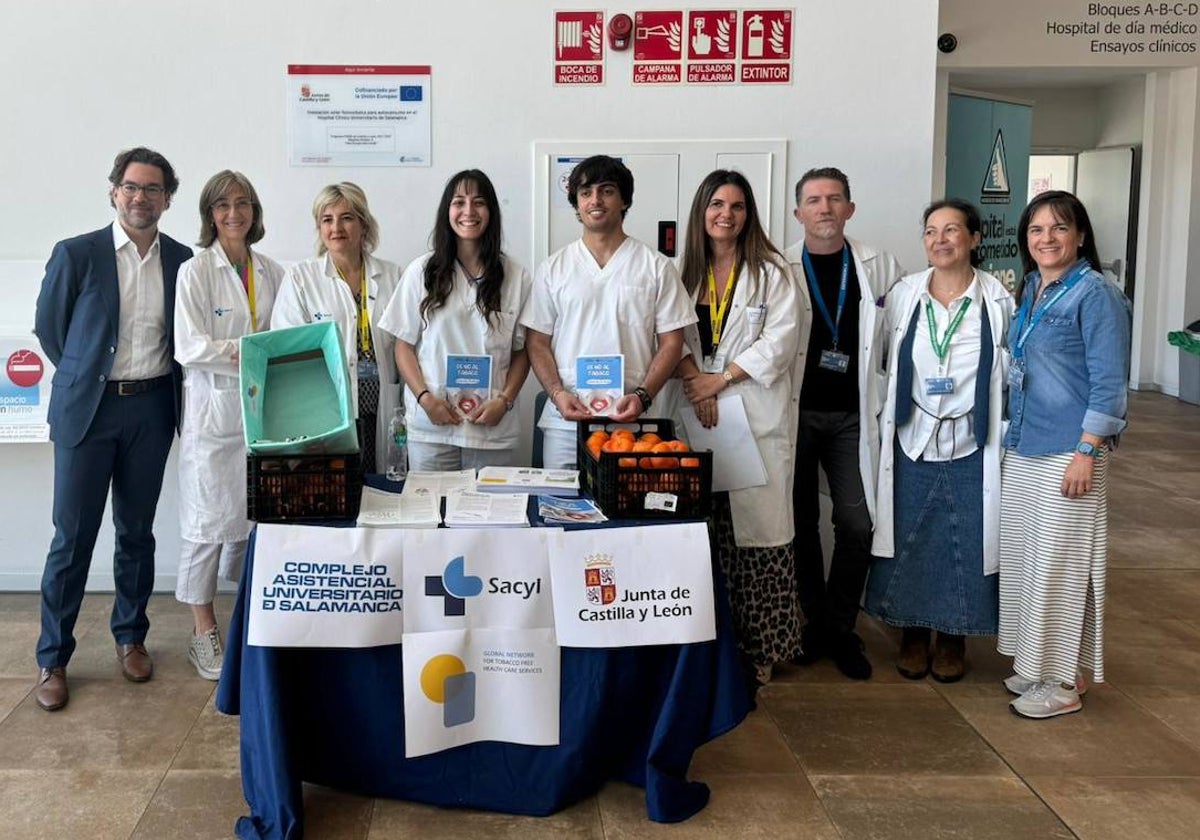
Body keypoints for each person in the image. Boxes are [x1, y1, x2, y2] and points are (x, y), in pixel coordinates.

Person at [32, 147, 192, 711]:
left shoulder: (183, 260)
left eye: (152, 189)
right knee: (71, 538)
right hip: (89, 411)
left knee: (136, 532)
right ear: (113, 191)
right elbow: (51, 330)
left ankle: (131, 637)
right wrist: (88, 378)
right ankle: (53, 658)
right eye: (131, 187)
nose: (140, 197)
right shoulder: (77, 253)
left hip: (151, 408)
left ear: (168, 199)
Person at [866, 199, 1015, 682]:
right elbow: (883, 359)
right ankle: (912, 635)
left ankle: (953, 640)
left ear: (974, 238)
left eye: (953, 230)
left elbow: (1012, 370)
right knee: (912, 534)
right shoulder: (906, 295)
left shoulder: (998, 300)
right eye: (931, 231)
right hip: (912, 434)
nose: (941, 240)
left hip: (973, 438)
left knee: (968, 540)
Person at [998, 190, 1131, 719]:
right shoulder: (1033, 287)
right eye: (1035, 229)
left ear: (1079, 236)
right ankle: (1047, 663)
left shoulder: (1095, 295)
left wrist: (1087, 451)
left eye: (1058, 228)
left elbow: (1109, 383)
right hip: (1027, 443)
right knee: (1032, 561)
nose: (1046, 239)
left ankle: (1063, 685)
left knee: (1061, 565)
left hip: (1069, 451)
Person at [674, 170, 806, 687]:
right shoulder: (682, 271)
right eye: (715, 204)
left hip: (751, 414)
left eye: (735, 206)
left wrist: (719, 381)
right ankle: (710, 648)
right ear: (701, 212)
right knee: (706, 535)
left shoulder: (771, 271)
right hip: (696, 411)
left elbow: (779, 342)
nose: (724, 214)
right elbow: (666, 335)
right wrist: (695, 381)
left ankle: (762, 650)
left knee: (759, 540)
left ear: (748, 214)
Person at [783, 167, 904, 679]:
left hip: (855, 415)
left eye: (835, 199)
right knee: (799, 525)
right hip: (794, 413)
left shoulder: (879, 265)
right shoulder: (780, 265)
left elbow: (900, 335)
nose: (825, 208)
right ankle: (812, 626)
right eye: (814, 200)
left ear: (850, 208)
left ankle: (840, 627)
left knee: (857, 524)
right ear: (798, 213)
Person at [173, 171, 283, 680]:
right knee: (206, 526)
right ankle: (202, 632)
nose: (233, 214)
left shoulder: (272, 270)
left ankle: (241, 621)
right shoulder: (195, 273)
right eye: (223, 206)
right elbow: (189, 347)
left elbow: (286, 334)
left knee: (252, 520)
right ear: (210, 214)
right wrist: (246, 352)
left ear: (255, 212)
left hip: (264, 412)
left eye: (243, 204)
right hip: (214, 415)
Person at [522, 155, 695, 469]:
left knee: (629, 508)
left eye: (606, 191)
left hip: (633, 421)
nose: (595, 200)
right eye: (586, 193)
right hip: (567, 420)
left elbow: (672, 342)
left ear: (624, 200)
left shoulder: (655, 266)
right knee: (563, 510)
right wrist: (558, 393)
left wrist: (643, 396)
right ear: (576, 203)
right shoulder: (553, 268)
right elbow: (536, 342)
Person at [378, 170, 531, 471]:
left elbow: (522, 351)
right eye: (459, 202)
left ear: (492, 212)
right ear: (447, 211)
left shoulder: (515, 276)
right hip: (433, 425)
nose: (469, 212)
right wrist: (425, 398)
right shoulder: (421, 272)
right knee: (432, 514)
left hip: (491, 427)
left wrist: (505, 401)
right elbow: (403, 345)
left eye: (479, 203)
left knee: (490, 516)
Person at [272, 182, 401, 473]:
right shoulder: (301, 278)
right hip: (327, 406)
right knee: (334, 486)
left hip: (380, 400)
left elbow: (407, 342)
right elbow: (288, 348)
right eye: (327, 220)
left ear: (364, 224)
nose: (336, 228)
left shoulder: (393, 275)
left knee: (378, 483)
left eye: (346, 218)